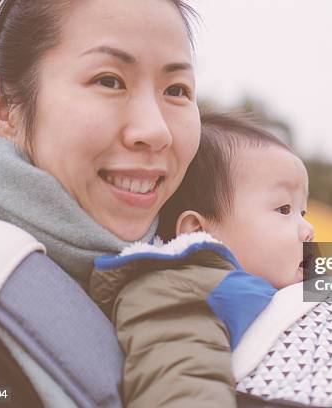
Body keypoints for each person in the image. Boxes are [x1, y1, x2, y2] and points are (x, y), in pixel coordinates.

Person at [0, 0, 332, 407]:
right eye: (109, 80)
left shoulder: (199, 255)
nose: (156, 131)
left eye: (176, 90)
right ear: (4, 107)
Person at [89, 112, 312, 407]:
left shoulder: (276, 286)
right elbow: (182, 382)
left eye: (303, 213)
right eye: (284, 209)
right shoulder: (180, 291)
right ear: (198, 231)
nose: (308, 231)